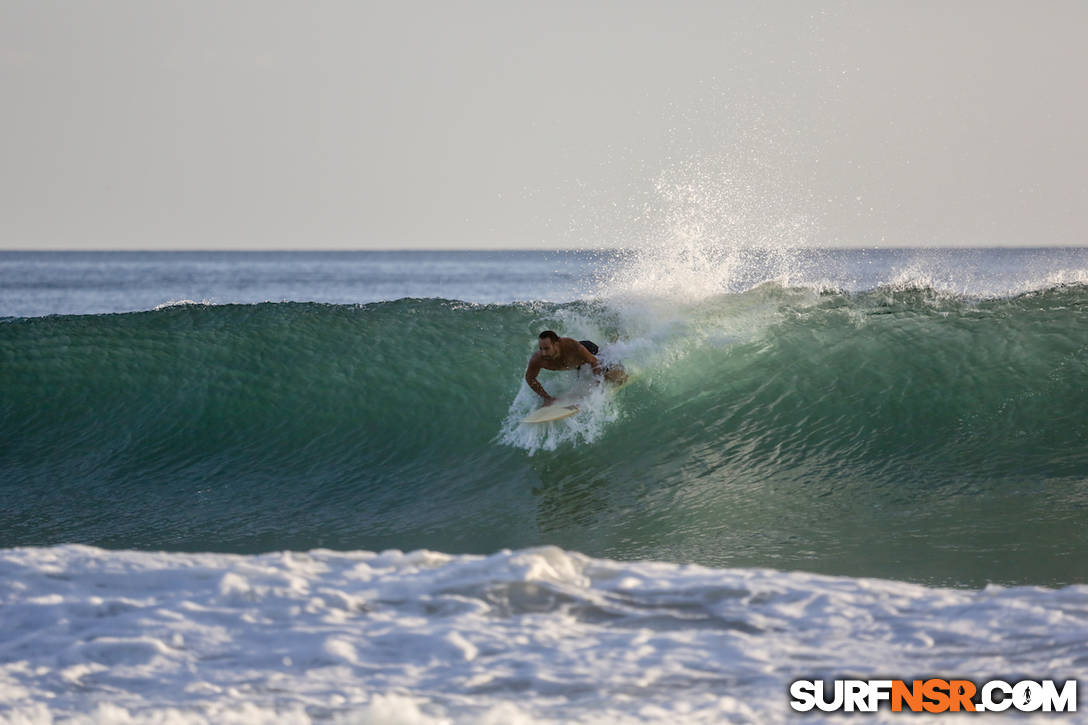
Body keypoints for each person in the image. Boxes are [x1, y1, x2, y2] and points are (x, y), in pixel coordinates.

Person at [525, 330, 626, 405]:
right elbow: (530, 378)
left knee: (617, 379)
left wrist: (599, 384)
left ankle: (619, 340)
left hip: (589, 352)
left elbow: (594, 362)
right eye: (541, 348)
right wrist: (546, 397)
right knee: (585, 383)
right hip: (577, 364)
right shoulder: (537, 359)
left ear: (556, 344)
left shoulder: (571, 346)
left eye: (547, 348)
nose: (543, 353)